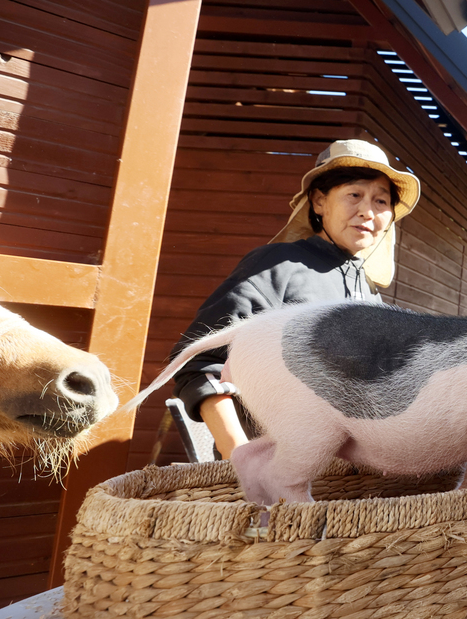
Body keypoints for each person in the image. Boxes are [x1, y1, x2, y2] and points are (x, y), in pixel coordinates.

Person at [172, 140, 420, 459]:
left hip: (344, 482)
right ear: (319, 202)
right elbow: (200, 361)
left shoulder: (370, 294)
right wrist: (239, 454)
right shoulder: (280, 266)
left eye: (381, 201)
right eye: (354, 195)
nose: (367, 212)